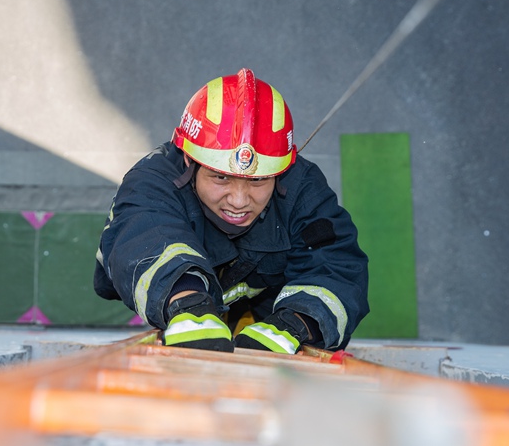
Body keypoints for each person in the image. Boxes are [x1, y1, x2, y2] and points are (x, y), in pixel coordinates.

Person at [94, 69, 369, 354]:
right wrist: (188, 306)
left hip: (270, 324)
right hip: (179, 314)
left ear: (281, 170)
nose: (239, 201)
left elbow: (336, 264)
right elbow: (144, 238)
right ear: (190, 160)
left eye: (258, 180)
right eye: (221, 178)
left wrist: (297, 325)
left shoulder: (302, 186)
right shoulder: (150, 181)